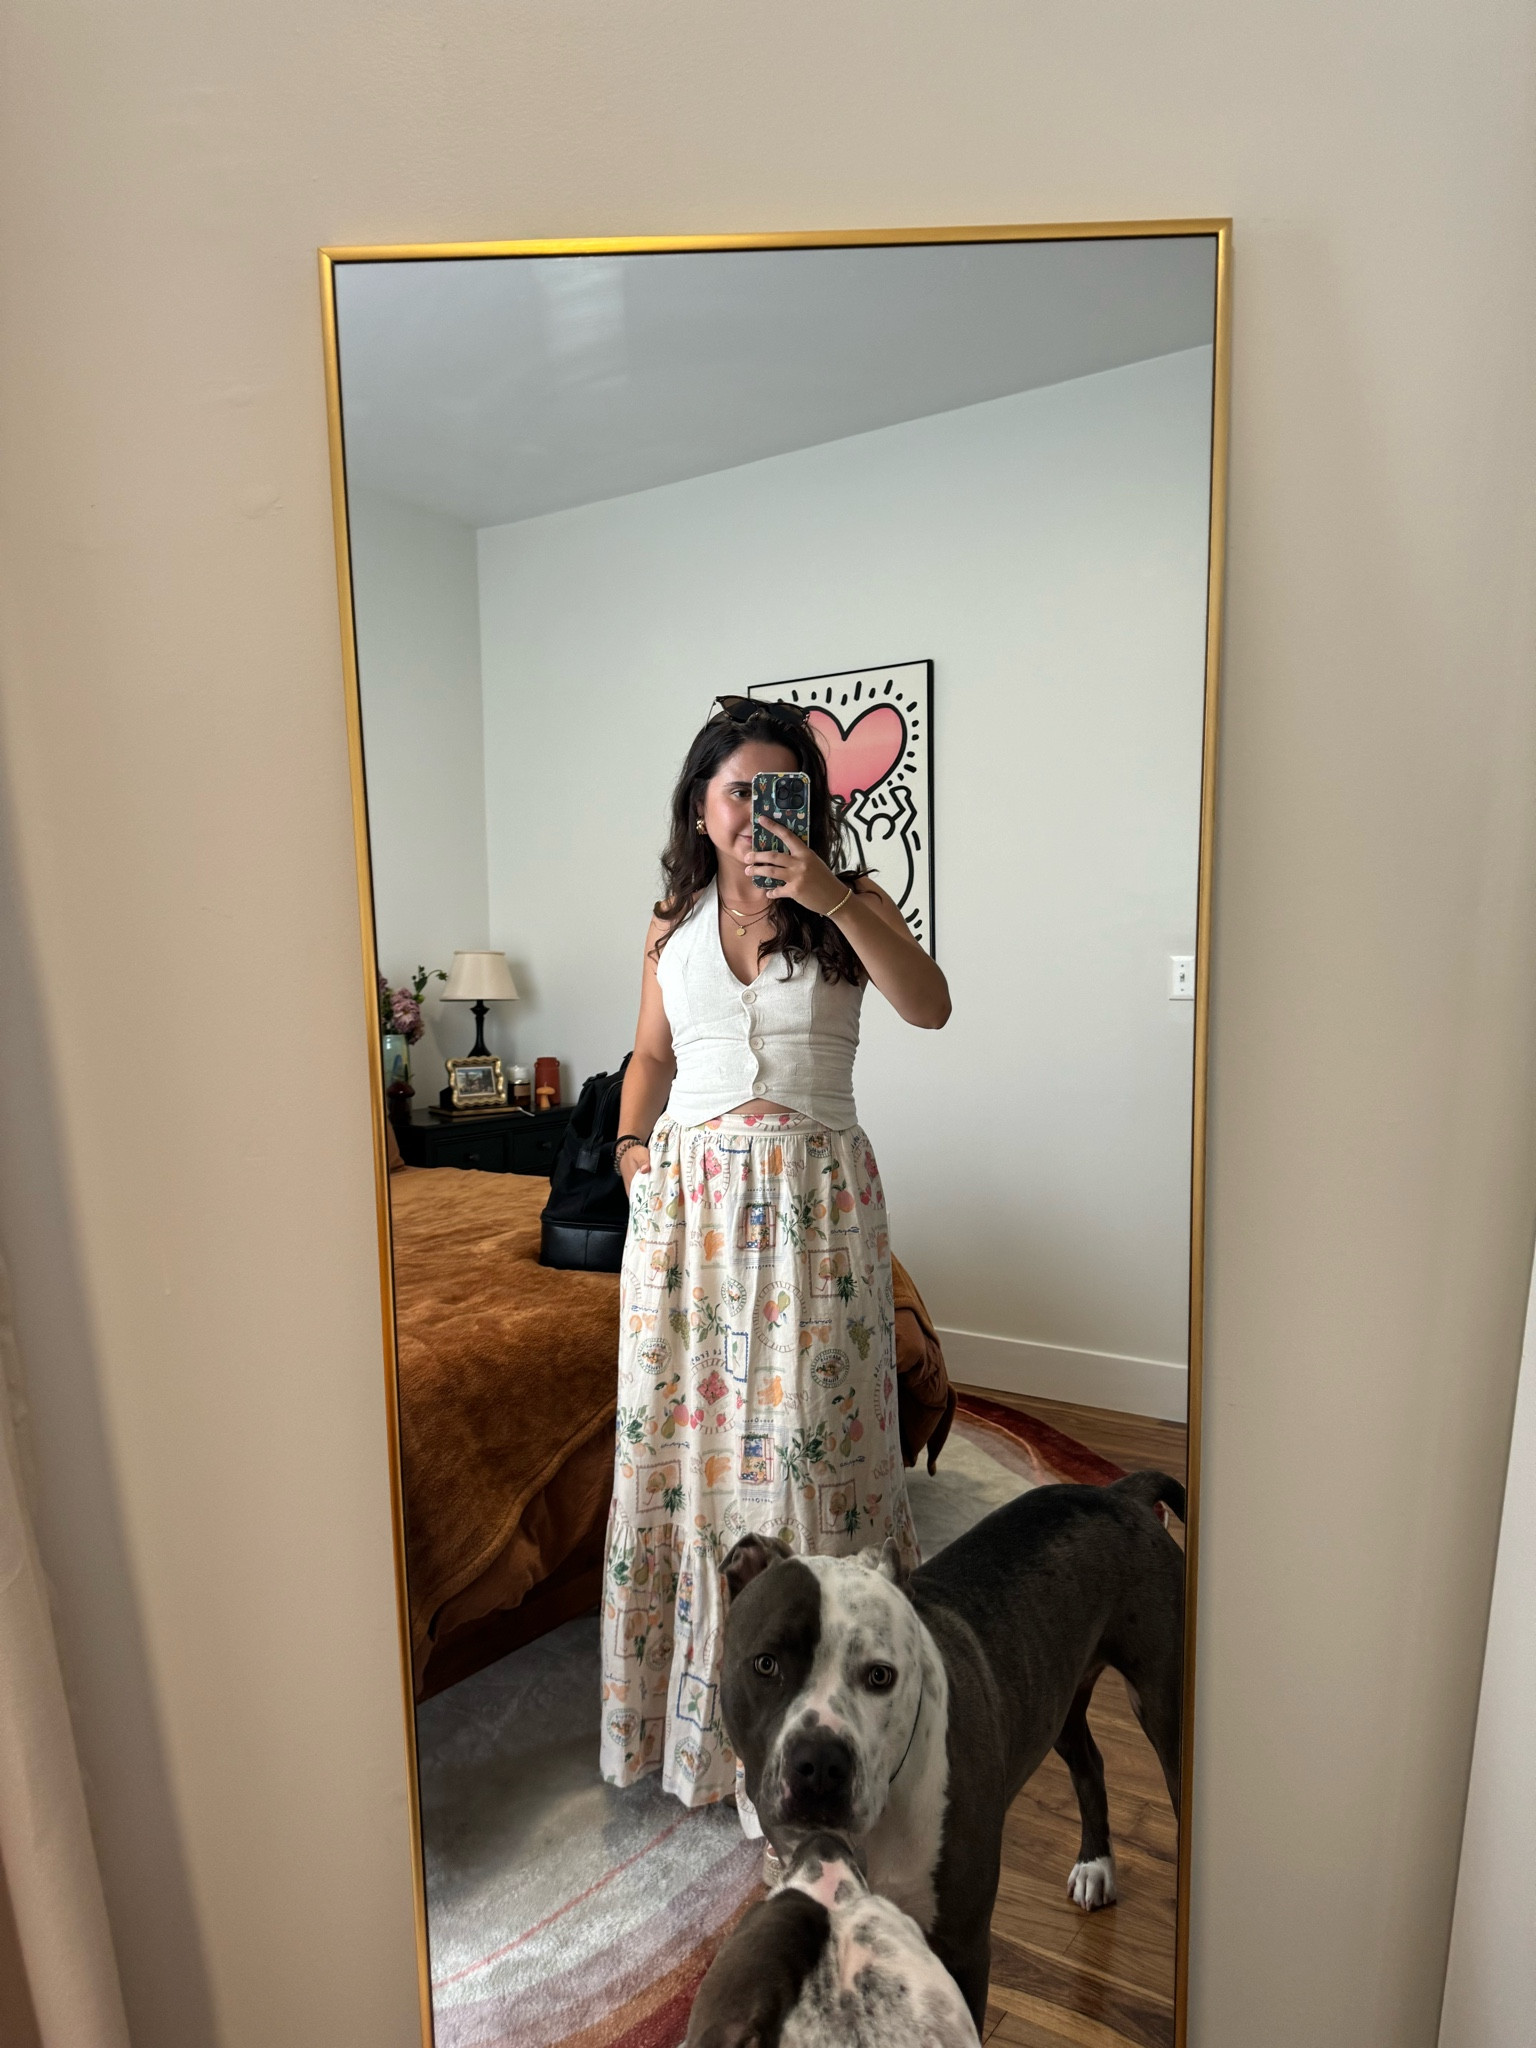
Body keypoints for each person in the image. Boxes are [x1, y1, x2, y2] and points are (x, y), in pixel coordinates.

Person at [599, 696, 951, 1814]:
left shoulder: (851, 908)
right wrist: (626, 1148)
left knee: (816, 1452)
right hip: (688, 1227)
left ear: (811, 805)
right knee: (692, 1465)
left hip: (815, 1222)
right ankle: (696, 1725)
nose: (757, 808)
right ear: (701, 809)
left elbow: (931, 1007)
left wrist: (831, 895)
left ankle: (842, 1726)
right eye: (738, 789)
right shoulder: (668, 925)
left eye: (779, 788)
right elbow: (648, 1059)